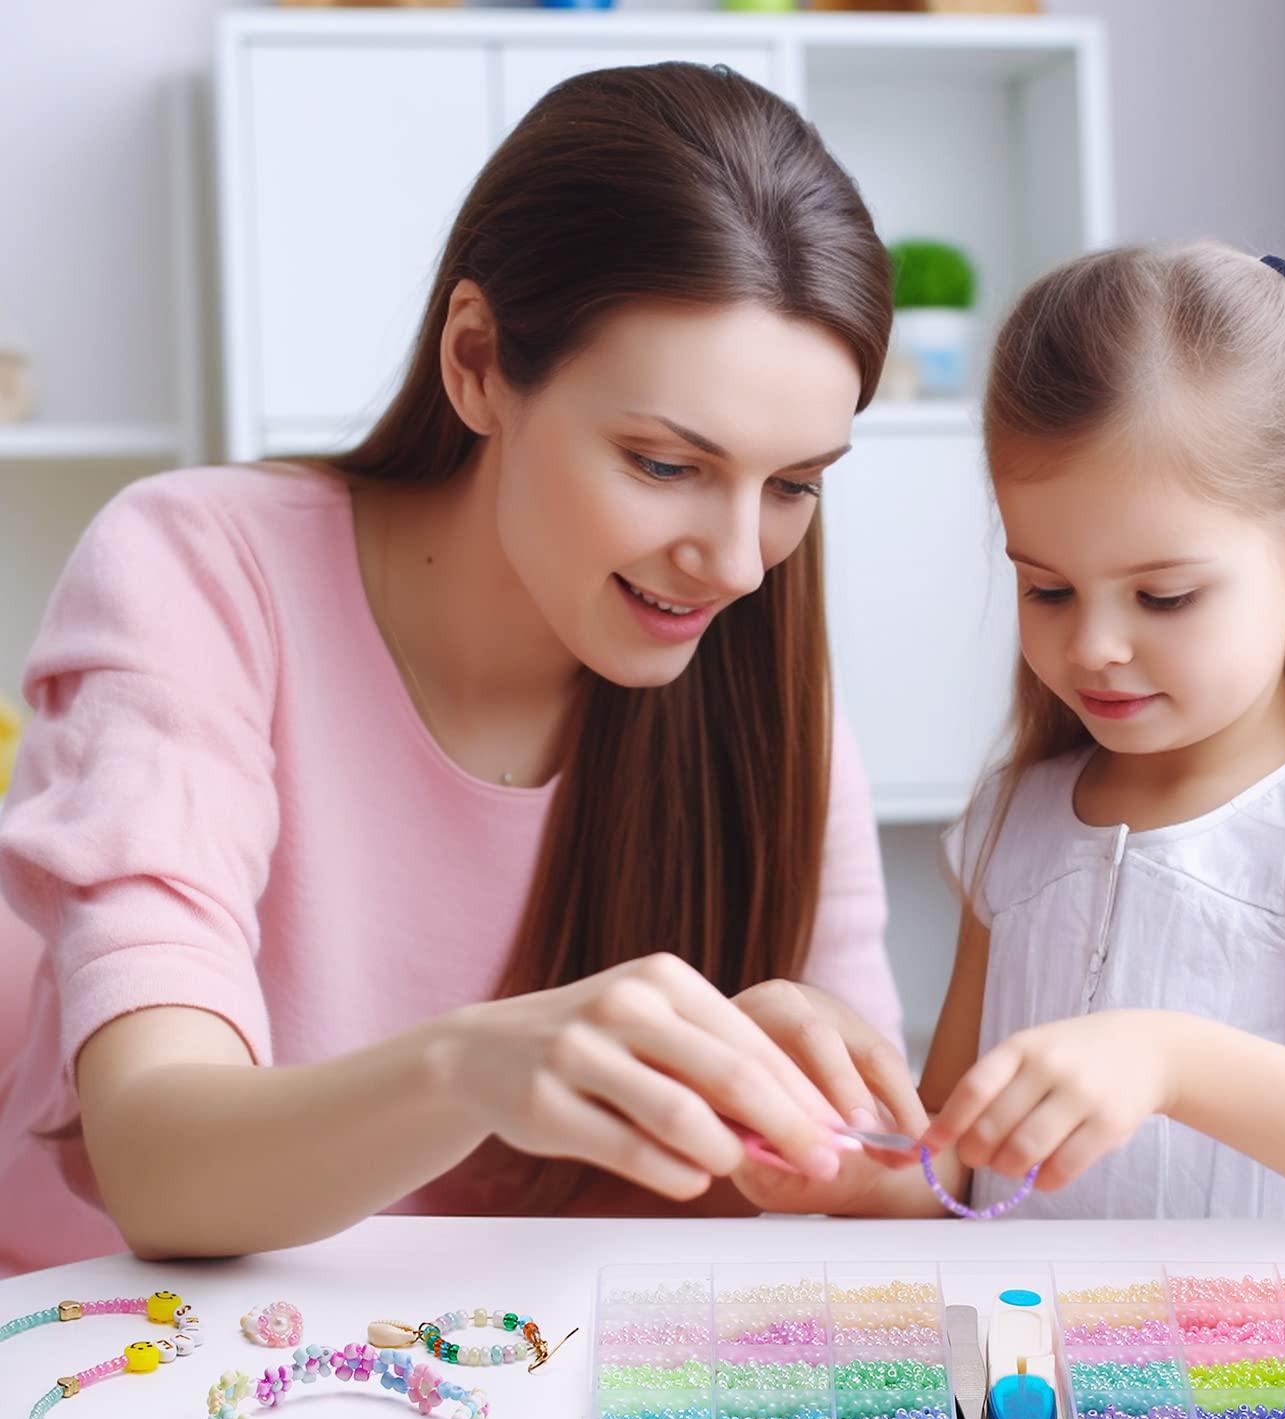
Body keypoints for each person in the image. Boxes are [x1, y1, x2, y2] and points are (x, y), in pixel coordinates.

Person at [0, 63, 929, 1275]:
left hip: (532, 1394)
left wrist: (808, 1135)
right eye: (662, 463)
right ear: (479, 361)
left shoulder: (758, 674)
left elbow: (888, 1207)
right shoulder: (202, 570)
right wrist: (472, 1067)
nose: (740, 563)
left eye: (796, 484)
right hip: (145, 1375)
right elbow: (155, 1160)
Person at [738, 243, 1285, 1231]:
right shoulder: (1012, 821)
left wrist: (1170, 1059)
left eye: (1163, 595)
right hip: (1033, 1374)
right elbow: (954, 1170)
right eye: (1047, 588)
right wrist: (852, 1174)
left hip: (1255, 1378)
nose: (1095, 645)